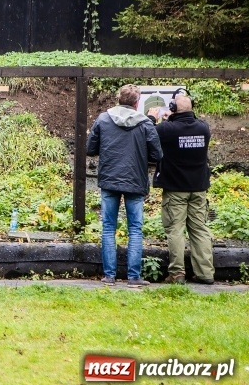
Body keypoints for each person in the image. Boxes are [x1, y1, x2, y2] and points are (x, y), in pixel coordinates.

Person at [87, 84, 163, 287]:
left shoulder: (103, 119)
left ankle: (109, 276)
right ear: (137, 103)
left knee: (108, 227)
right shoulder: (145, 123)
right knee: (135, 229)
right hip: (135, 180)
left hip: (109, 180)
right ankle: (133, 277)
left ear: (118, 99)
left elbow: (90, 148)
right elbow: (157, 154)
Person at [148, 96, 215, 285]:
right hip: (199, 189)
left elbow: (148, 133)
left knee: (175, 230)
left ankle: (177, 274)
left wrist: (153, 118)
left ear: (172, 108)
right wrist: (172, 118)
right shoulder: (203, 128)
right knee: (199, 229)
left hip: (175, 189)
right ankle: (205, 273)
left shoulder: (166, 129)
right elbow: (186, 127)